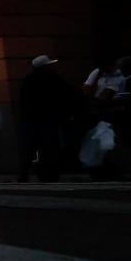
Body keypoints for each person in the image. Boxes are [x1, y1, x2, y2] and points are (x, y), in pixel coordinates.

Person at [16, 55, 82, 183]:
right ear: (43, 67)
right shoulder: (52, 79)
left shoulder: (30, 80)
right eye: (49, 65)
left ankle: (26, 173)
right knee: (48, 147)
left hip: (33, 120)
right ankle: (48, 173)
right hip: (46, 119)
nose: (53, 67)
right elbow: (70, 93)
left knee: (31, 148)